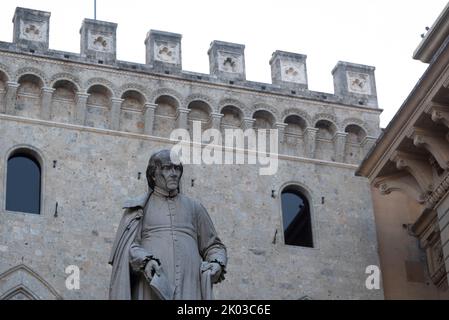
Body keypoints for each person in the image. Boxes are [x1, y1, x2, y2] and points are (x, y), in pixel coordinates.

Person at [108, 149, 227, 300]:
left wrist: (217, 262)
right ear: (153, 174)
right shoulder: (138, 208)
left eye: (177, 168)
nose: (174, 173)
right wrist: (145, 260)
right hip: (150, 285)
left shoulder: (195, 207)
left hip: (190, 286)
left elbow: (213, 246)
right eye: (166, 168)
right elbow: (128, 248)